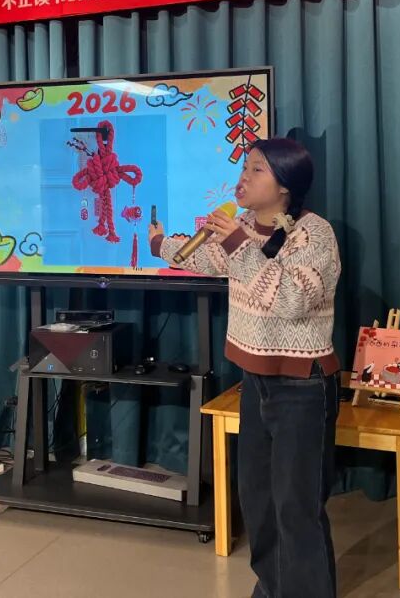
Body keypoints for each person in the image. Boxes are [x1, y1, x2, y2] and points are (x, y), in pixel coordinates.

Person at [149, 138, 341, 598]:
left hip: (303, 385)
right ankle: (273, 590)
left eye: (257, 170)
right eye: (244, 167)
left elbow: (292, 300)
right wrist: (159, 243)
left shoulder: (314, 235)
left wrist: (237, 243)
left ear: (285, 186)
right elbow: (203, 257)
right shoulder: (243, 229)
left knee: (296, 506)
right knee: (258, 500)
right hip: (254, 383)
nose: (243, 178)